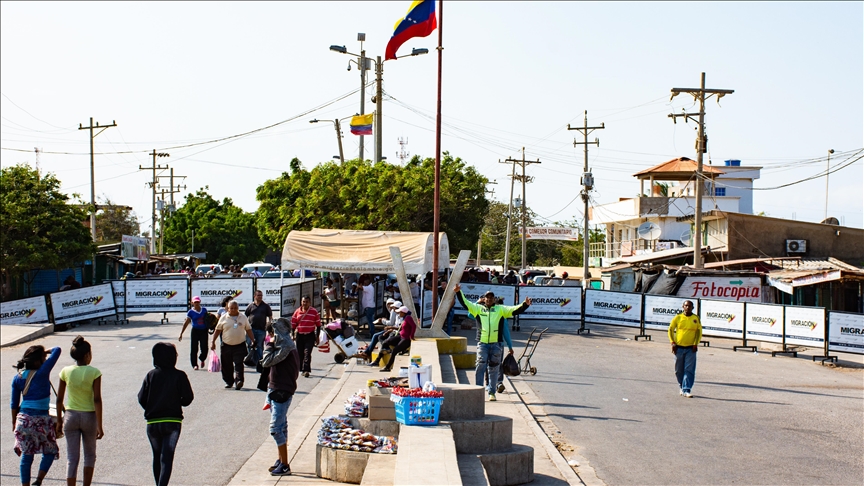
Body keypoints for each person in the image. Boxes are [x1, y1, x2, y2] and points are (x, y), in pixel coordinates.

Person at [455, 284, 530, 401]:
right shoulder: (478, 309)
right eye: (487, 297)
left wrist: (525, 305)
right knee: (480, 366)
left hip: (496, 344)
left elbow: (514, 310)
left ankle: (492, 392)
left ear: (494, 299)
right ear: (484, 299)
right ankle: (478, 391)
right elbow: (466, 304)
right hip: (482, 343)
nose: (489, 299)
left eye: (491, 297)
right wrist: (458, 292)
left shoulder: (500, 310)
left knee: (494, 368)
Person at [137, 343, 194, 486]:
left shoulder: (151, 375)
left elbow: (141, 398)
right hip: (172, 421)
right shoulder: (180, 375)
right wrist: (176, 402)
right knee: (167, 458)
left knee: (157, 456)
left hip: (153, 423)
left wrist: (152, 406)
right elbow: (188, 398)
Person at [11, 345, 62, 486]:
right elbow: (57, 350)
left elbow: (14, 404)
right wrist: (45, 351)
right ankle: (38, 480)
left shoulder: (18, 377)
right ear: (38, 360)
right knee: (50, 451)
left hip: (23, 420)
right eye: (43, 358)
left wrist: (13, 423)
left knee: (27, 456)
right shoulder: (42, 372)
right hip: (41, 420)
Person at [57, 336, 103, 486]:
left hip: (70, 417)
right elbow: (97, 399)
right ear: (87, 355)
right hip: (89, 417)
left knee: (72, 457)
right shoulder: (94, 372)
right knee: (89, 455)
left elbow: (59, 399)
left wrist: (59, 421)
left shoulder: (65, 371)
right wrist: (100, 425)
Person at [261, 318, 300, 476]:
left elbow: (266, 361)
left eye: (271, 333)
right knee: (282, 426)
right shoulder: (286, 345)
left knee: (276, 429)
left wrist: (269, 344)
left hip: (281, 391)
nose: (270, 336)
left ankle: (285, 465)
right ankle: (280, 459)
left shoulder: (285, 347)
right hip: (276, 389)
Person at [211, 301, 255, 390]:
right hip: (226, 345)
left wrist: (253, 340)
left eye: (235, 308)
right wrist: (213, 341)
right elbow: (218, 330)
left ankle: (239, 381)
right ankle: (229, 382)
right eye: (231, 308)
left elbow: (248, 329)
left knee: (239, 364)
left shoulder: (243, 317)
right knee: (227, 365)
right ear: (228, 309)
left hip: (240, 345)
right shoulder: (223, 318)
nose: (233, 310)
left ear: (238, 308)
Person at [668, 300, 702, 398]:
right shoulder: (678, 318)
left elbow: (699, 332)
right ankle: (681, 386)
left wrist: (696, 343)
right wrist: (672, 342)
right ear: (683, 307)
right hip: (678, 348)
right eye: (686, 306)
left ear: (693, 308)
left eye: (690, 306)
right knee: (679, 370)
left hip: (690, 348)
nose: (688, 307)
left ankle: (687, 389)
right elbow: (670, 329)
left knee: (689, 369)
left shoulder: (695, 318)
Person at [365, 300, 402, 365]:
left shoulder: (401, 316)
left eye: (394, 307)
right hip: (393, 331)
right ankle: (375, 356)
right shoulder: (397, 315)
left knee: (380, 338)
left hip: (398, 334)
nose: (392, 308)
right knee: (379, 337)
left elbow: (398, 327)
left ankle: (378, 356)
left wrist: (386, 325)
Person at [291, 296, 320, 378]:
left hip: (310, 335)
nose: (305, 303)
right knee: (299, 353)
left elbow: (318, 325)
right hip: (300, 336)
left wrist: (317, 337)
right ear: (301, 302)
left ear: (310, 303)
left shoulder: (314, 312)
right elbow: (293, 324)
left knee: (307, 353)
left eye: (307, 302)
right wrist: (292, 335)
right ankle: (300, 368)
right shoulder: (297, 312)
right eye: (304, 301)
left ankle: (306, 370)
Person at [381, 306, 417, 373]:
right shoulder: (404, 318)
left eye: (400, 312)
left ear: (403, 313)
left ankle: (387, 367)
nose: (398, 314)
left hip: (406, 339)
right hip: (401, 336)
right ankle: (390, 350)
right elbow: (402, 328)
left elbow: (414, 326)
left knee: (395, 351)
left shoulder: (408, 318)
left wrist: (411, 336)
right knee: (387, 341)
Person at [178, 296, 209, 370]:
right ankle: (194, 364)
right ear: (192, 303)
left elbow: (208, 319)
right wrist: (181, 333)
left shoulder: (204, 310)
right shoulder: (191, 312)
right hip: (195, 331)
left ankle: (202, 358)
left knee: (204, 347)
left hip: (204, 330)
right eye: (195, 302)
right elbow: (186, 322)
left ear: (200, 302)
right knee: (194, 348)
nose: (196, 303)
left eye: (198, 302)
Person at [245, 290, 273, 364]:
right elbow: (245, 316)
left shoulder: (266, 306)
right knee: (250, 345)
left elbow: (270, 317)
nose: (260, 297)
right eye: (258, 295)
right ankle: (250, 360)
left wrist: (270, 326)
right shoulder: (250, 306)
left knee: (259, 346)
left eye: (261, 295)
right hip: (251, 329)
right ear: (255, 296)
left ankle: (259, 361)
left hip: (261, 330)